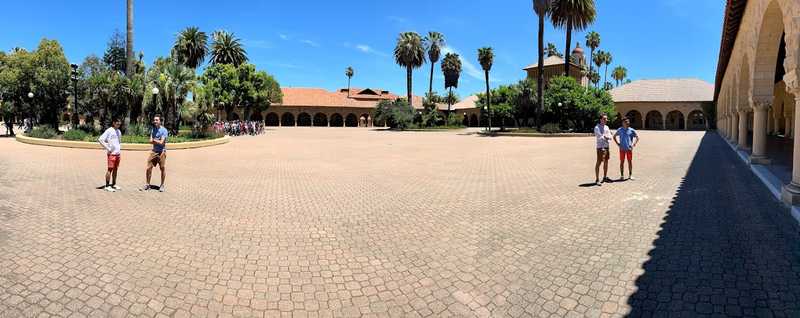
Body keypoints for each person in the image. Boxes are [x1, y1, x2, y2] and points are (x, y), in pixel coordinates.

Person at [141, 116, 168, 192]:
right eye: (154, 120)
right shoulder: (153, 129)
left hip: (162, 152)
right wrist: (157, 140)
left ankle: (162, 185)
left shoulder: (164, 130)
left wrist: (154, 140)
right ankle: (147, 184)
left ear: (160, 121)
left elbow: (161, 142)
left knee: (162, 168)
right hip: (154, 151)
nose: (155, 121)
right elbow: (150, 141)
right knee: (148, 168)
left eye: (157, 120)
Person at [98, 118, 123, 192]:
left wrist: (119, 148)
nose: (118, 124)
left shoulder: (118, 131)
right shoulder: (109, 130)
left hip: (117, 154)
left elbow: (119, 142)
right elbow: (100, 139)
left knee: (115, 169)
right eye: (117, 123)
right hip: (111, 154)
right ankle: (107, 185)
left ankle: (114, 184)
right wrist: (108, 148)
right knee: (110, 169)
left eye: (119, 123)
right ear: (113, 123)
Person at [594, 114, 613, 185]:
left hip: (606, 146)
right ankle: (597, 179)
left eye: (606, 119)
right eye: (604, 119)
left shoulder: (607, 127)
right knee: (599, 162)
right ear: (600, 119)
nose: (606, 120)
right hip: (600, 147)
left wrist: (608, 137)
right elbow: (600, 137)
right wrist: (607, 137)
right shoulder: (597, 127)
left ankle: (604, 177)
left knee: (606, 162)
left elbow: (610, 135)